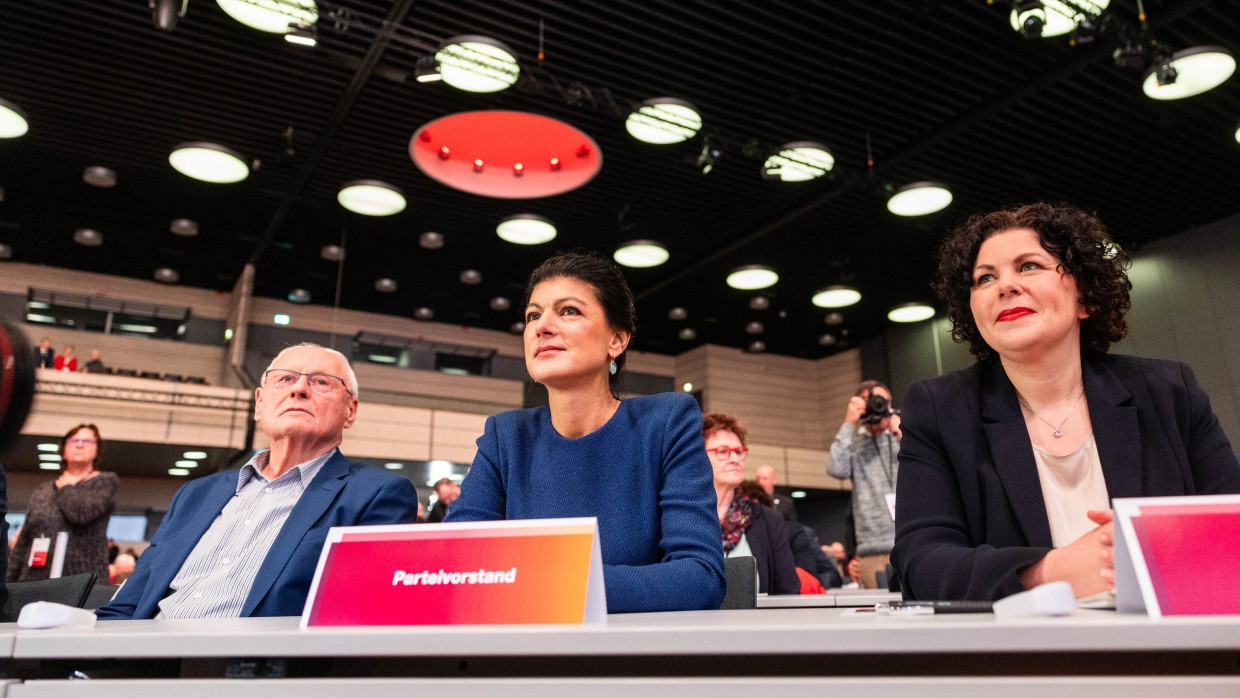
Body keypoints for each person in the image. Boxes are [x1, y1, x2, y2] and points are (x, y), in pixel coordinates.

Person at [893, 202, 1240, 602]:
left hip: (1171, 645)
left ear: (1085, 297)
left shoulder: (1169, 392)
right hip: (1021, 655)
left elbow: (1231, 531)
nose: (1005, 285)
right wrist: (1052, 572)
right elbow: (920, 564)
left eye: (1029, 266)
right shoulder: (939, 408)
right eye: (984, 278)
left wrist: (1159, 552)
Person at [446, 252, 725, 613]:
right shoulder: (506, 437)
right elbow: (457, 566)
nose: (541, 326)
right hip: (523, 655)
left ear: (617, 340)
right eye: (533, 315)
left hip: (633, 656)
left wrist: (547, 587)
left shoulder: (666, 422)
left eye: (569, 311)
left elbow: (700, 578)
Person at [96, 343, 420, 619]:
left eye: (321, 382)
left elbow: (354, 619)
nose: (299, 389)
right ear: (260, 403)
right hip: (143, 666)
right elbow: (127, 605)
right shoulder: (195, 494)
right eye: (285, 379)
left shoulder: (376, 494)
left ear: (351, 410)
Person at [8, 424, 118, 583]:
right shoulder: (43, 489)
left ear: (97, 450)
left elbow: (80, 514)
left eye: (87, 441)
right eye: (74, 440)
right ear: (64, 450)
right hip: (33, 578)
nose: (80, 444)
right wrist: (9, 582)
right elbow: (25, 539)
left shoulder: (105, 482)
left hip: (80, 582)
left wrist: (66, 485)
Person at [705, 413, 799, 595]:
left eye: (739, 451)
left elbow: (789, 593)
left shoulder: (769, 520)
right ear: (698, 456)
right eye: (723, 451)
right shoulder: (681, 518)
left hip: (756, 623)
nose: (735, 459)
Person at [826, 381, 901, 589]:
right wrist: (849, 423)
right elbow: (836, 469)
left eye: (881, 402)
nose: (877, 408)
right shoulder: (854, 445)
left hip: (912, 541)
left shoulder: (901, 437)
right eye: (871, 403)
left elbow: (926, 465)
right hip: (872, 549)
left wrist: (902, 432)